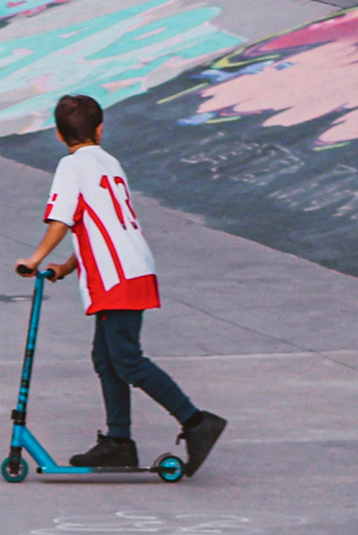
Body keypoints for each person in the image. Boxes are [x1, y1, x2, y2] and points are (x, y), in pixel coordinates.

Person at [14, 93, 226, 474]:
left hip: (115, 276)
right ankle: (119, 442)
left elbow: (62, 219)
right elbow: (98, 224)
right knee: (107, 357)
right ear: (100, 129)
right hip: (130, 268)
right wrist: (65, 266)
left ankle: (196, 422)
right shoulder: (109, 163)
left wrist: (35, 258)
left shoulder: (71, 165)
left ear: (59, 136)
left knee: (127, 359)